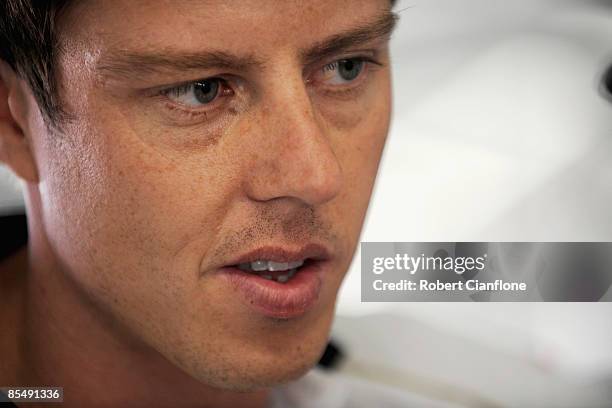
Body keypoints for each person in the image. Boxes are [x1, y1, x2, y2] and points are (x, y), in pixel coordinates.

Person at [0, 1, 459, 407]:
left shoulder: (464, 387)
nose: (316, 177)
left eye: (346, 67)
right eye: (200, 89)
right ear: (12, 122)